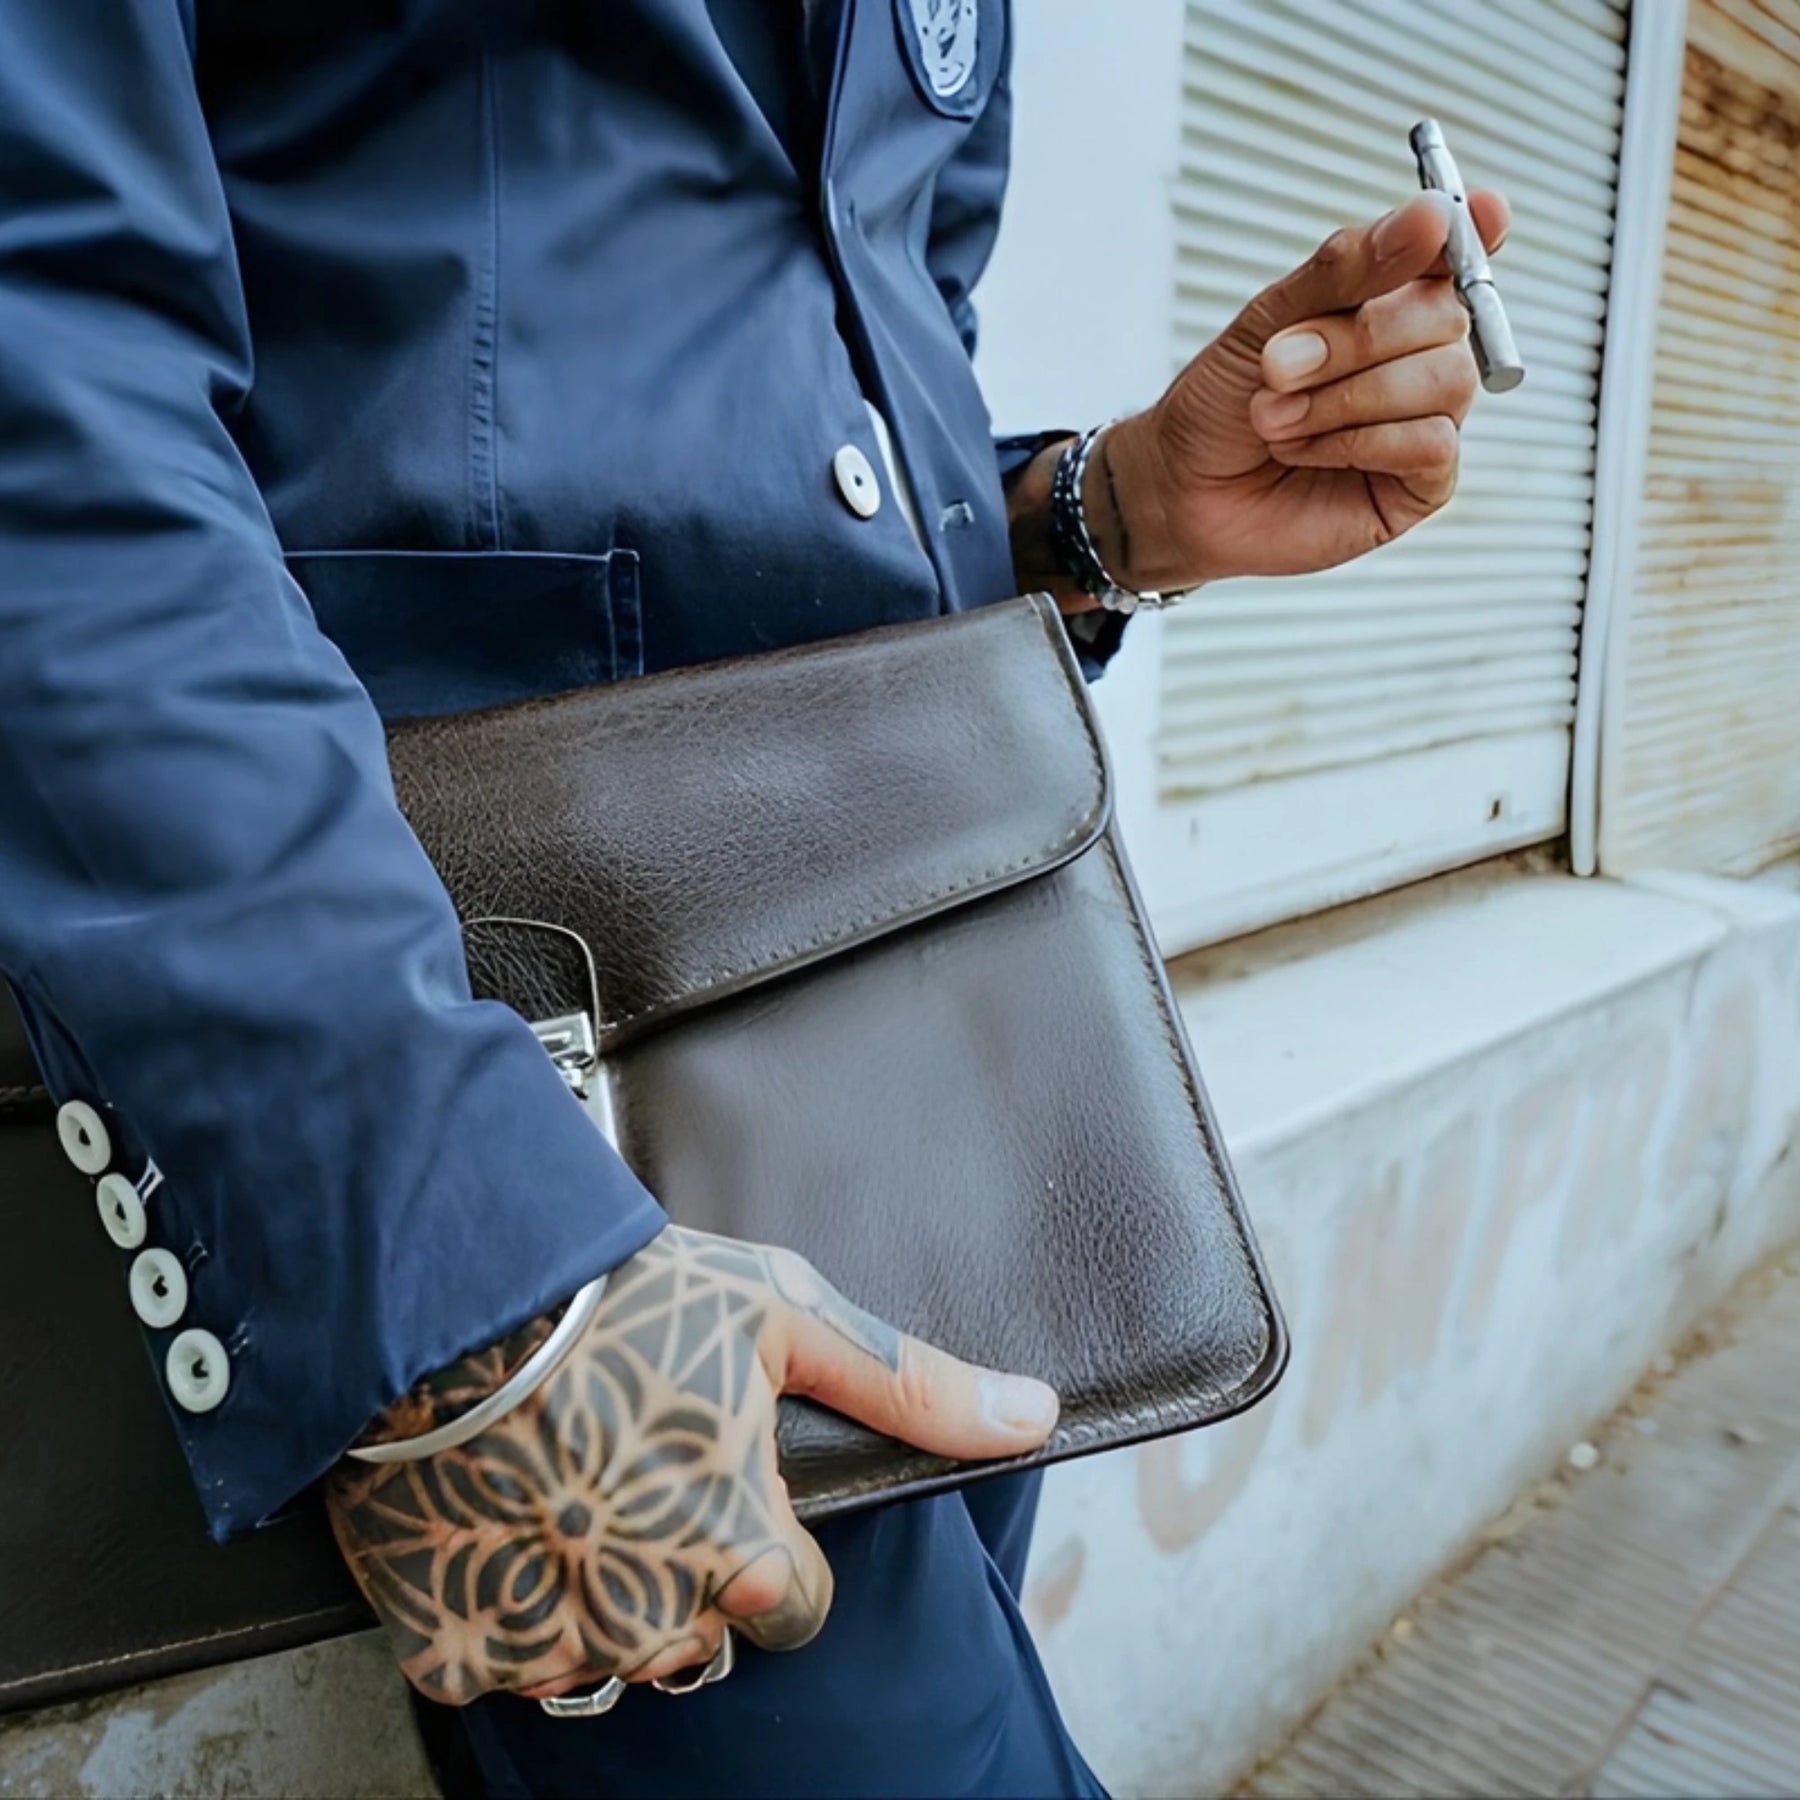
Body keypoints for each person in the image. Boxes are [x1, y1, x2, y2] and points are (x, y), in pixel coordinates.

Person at [0, 3, 1504, 1795]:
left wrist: (1097, 513)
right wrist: (466, 1265)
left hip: (920, 1094)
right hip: (556, 1168)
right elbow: (42, 374)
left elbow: (841, 381)